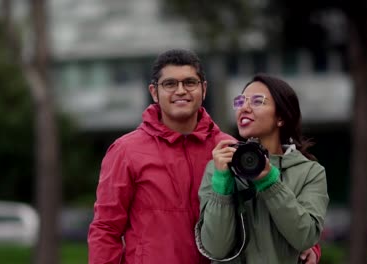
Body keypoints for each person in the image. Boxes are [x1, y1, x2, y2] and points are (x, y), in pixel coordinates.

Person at [88, 49, 322, 263]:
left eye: (190, 82)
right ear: (154, 92)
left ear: (204, 89)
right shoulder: (126, 150)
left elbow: (263, 215)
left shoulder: (230, 149)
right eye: (170, 84)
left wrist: (309, 245)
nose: (181, 91)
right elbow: (105, 228)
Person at [195, 73, 329, 264]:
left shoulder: (309, 172)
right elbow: (215, 248)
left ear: (281, 117)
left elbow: (305, 237)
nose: (244, 108)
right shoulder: (219, 167)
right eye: (240, 101)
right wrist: (222, 187)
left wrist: (270, 183)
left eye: (257, 101)